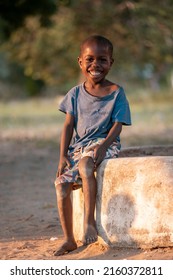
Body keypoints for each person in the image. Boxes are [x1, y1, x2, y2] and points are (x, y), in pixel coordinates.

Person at [54, 35, 131, 256]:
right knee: (60, 186)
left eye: (102, 60)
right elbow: (68, 126)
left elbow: (118, 125)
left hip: (105, 144)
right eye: (89, 59)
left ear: (111, 63)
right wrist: (62, 156)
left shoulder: (116, 92)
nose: (95, 65)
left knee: (87, 165)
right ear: (80, 62)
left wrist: (105, 145)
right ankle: (69, 239)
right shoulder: (75, 94)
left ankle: (89, 222)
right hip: (79, 149)